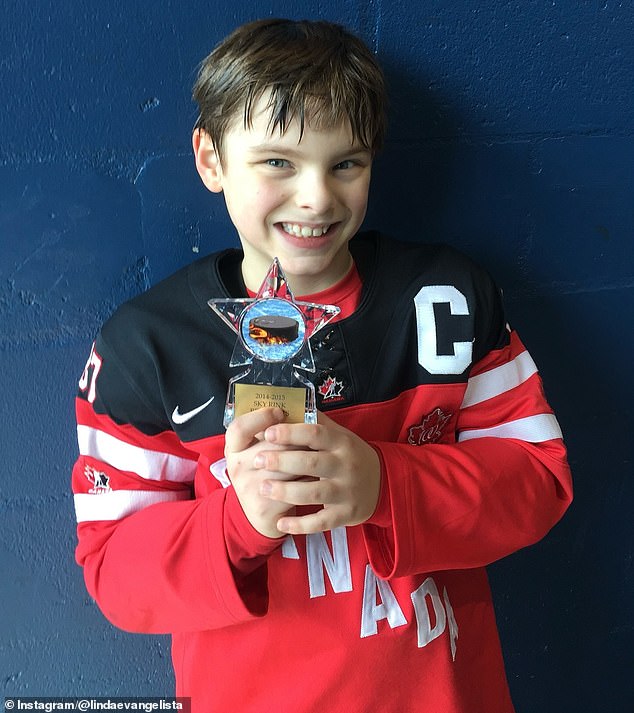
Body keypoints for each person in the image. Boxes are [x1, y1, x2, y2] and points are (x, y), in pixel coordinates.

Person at [72, 18, 572, 713]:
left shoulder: (448, 301)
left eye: (346, 163)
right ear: (211, 159)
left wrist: (386, 483)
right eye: (277, 161)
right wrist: (237, 520)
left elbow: (539, 479)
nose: (316, 198)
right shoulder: (145, 346)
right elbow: (113, 571)